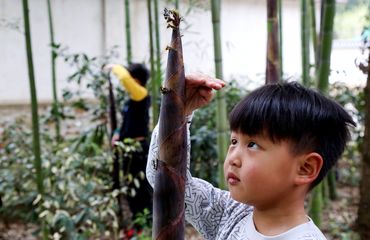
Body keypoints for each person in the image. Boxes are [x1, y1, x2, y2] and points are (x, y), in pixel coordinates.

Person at [146, 74, 355, 240]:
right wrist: (178, 113)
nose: (233, 158)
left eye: (253, 145)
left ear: (305, 168)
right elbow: (163, 178)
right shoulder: (228, 212)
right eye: (234, 142)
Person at [105, 63, 152, 230]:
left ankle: (145, 226)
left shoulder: (141, 95)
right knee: (130, 188)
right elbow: (126, 123)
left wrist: (114, 67)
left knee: (140, 190)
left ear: (137, 80)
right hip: (126, 151)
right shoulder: (132, 101)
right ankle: (136, 227)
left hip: (137, 150)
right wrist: (118, 133)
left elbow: (124, 78)